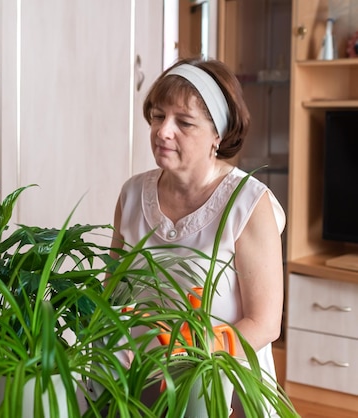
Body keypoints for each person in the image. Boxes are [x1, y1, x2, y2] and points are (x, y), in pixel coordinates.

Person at [109, 57, 285, 414]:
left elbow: (265, 324)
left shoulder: (248, 203)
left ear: (217, 135)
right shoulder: (131, 194)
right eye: (158, 116)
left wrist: (198, 352)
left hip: (220, 386)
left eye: (183, 122)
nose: (163, 131)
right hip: (137, 379)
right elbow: (113, 293)